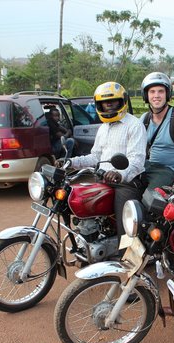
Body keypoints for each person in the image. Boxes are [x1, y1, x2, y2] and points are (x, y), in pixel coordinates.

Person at [70, 82, 147, 237]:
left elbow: (137, 160)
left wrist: (120, 174)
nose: (109, 105)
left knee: (125, 227)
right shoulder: (103, 128)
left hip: (125, 183)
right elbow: (96, 156)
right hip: (102, 178)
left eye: (113, 101)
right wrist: (71, 162)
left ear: (123, 101)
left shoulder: (134, 125)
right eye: (105, 102)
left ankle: (126, 254)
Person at [139, 72, 174, 190]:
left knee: (151, 200)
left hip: (170, 170)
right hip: (148, 166)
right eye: (152, 91)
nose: (156, 95)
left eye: (161, 91)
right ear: (146, 95)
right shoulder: (144, 119)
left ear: (167, 94)